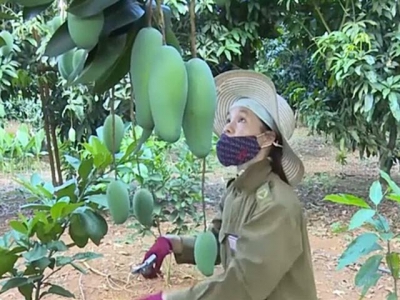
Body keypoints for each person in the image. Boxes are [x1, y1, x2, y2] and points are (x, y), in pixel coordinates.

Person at [137, 70, 318, 300]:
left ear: (267, 138)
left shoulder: (277, 206)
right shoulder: (237, 191)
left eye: (241, 120)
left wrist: (166, 299)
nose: (228, 128)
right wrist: (174, 245)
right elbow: (219, 243)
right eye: (229, 120)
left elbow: (241, 285)